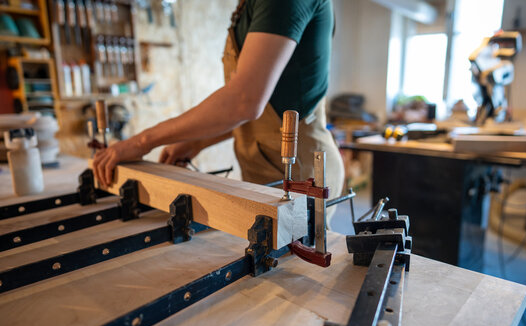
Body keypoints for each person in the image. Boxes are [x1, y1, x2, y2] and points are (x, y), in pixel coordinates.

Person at [93, 0, 344, 211]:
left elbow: (245, 101)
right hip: (266, 172)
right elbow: (263, 103)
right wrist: (198, 140)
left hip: (300, 173)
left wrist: (141, 142)